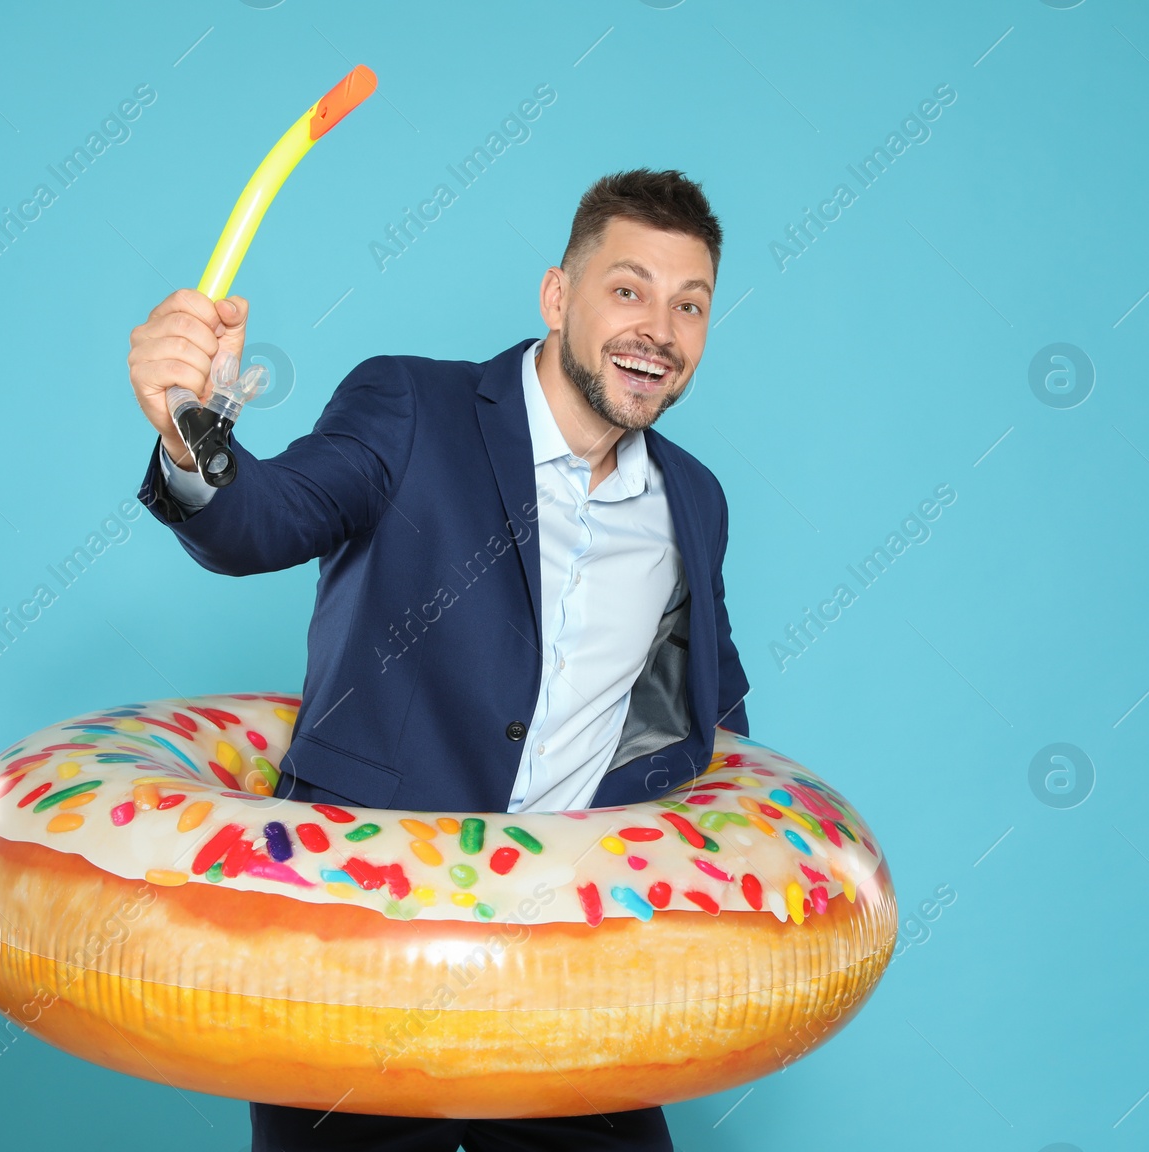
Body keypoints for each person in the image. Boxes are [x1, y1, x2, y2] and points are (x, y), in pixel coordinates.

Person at [129, 168, 751, 1152]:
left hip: (571, 981)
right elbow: (262, 521)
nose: (658, 331)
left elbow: (704, 717)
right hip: (359, 961)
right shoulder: (413, 406)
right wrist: (191, 432)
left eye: (690, 306)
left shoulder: (694, 499)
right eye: (627, 290)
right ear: (558, 297)